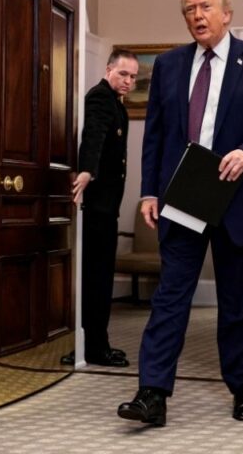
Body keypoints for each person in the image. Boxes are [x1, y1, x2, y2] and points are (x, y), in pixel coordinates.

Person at [117, 0, 243, 425]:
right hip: (186, 193)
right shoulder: (169, 65)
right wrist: (150, 190)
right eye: (189, 9)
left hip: (240, 194)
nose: (197, 15)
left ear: (227, 13)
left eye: (205, 7)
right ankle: (152, 394)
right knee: (171, 297)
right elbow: (156, 133)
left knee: (240, 301)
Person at [69, 49, 139, 368]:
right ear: (109, 69)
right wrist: (87, 169)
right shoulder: (100, 97)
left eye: (133, 77)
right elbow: (93, 134)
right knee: (97, 278)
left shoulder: (116, 103)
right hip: (97, 206)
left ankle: (97, 343)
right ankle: (95, 347)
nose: (128, 81)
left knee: (100, 276)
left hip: (107, 206)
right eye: (123, 74)